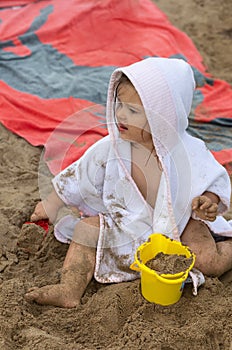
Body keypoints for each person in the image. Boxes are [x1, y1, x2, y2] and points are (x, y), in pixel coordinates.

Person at [25, 57, 232, 308]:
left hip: (179, 225)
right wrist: (52, 202)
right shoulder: (110, 148)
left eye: (133, 111)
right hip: (125, 224)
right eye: (119, 104)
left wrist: (207, 202)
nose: (120, 114)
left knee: (206, 260)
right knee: (85, 231)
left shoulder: (189, 151)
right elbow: (80, 175)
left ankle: (228, 252)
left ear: (163, 118)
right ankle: (69, 288)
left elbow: (213, 179)